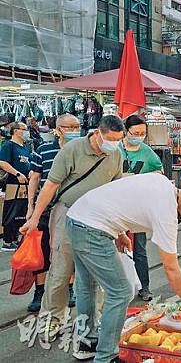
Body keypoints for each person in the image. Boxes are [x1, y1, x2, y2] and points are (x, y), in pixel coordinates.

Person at [67, 175, 181, 362]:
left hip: (77, 217)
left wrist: (120, 231)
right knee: (120, 292)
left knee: (86, 286)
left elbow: (120, 197)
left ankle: (87, 342)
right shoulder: (167, 211)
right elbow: (171, 267)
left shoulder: (163, 183)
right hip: (93, 229)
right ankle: (106, 356)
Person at [21, 115, 125, 344]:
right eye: (110, 139)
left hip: (98, 219)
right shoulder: (72, 149)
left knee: (94, 276)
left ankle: (90, 324)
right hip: (66, 214)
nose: (114, 144)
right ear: (98, 133)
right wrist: (34, 217)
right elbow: (50, 185)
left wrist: (121, 230)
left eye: (118, 140)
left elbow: (117, 191)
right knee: (60, 270)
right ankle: (52, 320)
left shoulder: (116, 154)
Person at [25, 114, 81, 312]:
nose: (74, 131)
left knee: (69, 251)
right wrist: (31, 207)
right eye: (69, 127)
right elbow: (34, 178)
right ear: (57, 129)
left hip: (74, 210)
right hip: (47, 209)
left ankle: (70, 288)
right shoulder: (44, 149)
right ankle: (39, 291)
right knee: (42, 252)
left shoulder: (82, 151)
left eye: (77, 127)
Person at [119, 115, 164, 302]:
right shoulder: (115, 149)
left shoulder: (146, 151)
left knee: (139, 249)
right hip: (116, 206)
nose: (139, 136)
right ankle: (120, 287)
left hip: (138, 208)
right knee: (115, 249)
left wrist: (143, 179)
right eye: (135, 133)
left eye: (142, 133)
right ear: (126, 132)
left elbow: (159, 171)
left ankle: (144, 287)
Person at [0, 122, 31, 251]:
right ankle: (7, 242)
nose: (26, 132)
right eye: (24, 129)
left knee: (20, 212)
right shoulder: (9, 146)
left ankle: (14, 239)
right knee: (11, 210)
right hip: (13, 183)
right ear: (16, 131)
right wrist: (17, 174)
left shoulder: (24, 147)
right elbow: (2, 162)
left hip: (25, 185)